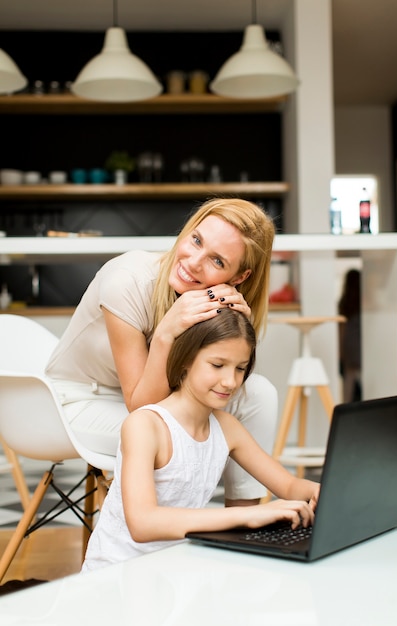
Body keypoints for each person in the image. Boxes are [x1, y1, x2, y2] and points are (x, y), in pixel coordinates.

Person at [45, 197, 278, 506]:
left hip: (152, 403)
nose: (193, 262)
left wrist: (235, 333)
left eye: (217, 261)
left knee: (259, 394)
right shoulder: (127, 281)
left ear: (239, 278)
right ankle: (164, 536)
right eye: (196, 240)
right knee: (173, 428)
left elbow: (204, 383)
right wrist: (167, 332)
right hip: (79, 401)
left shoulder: (210, 300)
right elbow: (142, 407)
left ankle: (243, 530)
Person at [82, 310, 320, 572]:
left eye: (240, 368)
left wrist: (323, 491)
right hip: (117, 575)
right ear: (186, 359)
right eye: (217, 365)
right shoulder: (145, 425)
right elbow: (143, 523)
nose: (230, 381)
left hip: (173, 573)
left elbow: (288, 485)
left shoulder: (226, 427)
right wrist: (247, 516)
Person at [338, 268, 362, 402]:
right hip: (359, 347)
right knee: (363, 380)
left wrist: (341, 352)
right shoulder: (362, 303)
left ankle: (347, 406)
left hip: (348, 347)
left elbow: (342, 329)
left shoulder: (344, 303)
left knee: (349, 381)